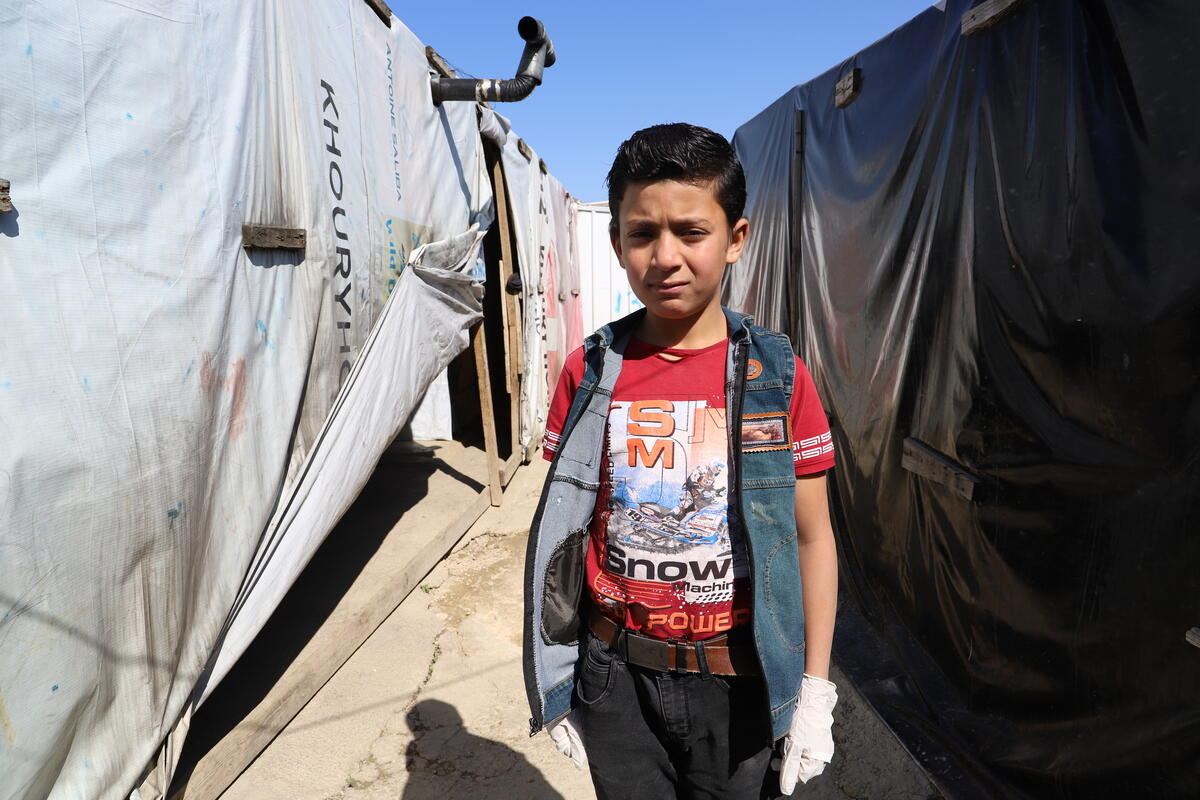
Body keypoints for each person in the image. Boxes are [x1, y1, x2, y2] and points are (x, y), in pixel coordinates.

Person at [522, 123, 839, 799]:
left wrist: (814, 688)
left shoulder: (777, 378)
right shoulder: (589, 373)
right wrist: (557, 669)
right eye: (642, 233)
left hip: (739, 682)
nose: (665, 256)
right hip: (614, 678)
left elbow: (811, 538)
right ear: (617, 243)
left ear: (735, 238)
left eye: (691, 232)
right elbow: (564, 530)